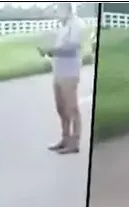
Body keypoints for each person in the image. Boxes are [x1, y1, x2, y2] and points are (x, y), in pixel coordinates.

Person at [38, 3, 84, 154]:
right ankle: (65, 138)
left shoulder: (76, 24)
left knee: (72, 107)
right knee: (61, 108)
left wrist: (52, 50)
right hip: (58, 72)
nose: (57, 12)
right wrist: (48, 51)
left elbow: (72, 47)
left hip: (70, 72)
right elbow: (59, 47)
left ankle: (74, 142)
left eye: (59, 9)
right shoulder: (62, 26)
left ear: (68, 9)